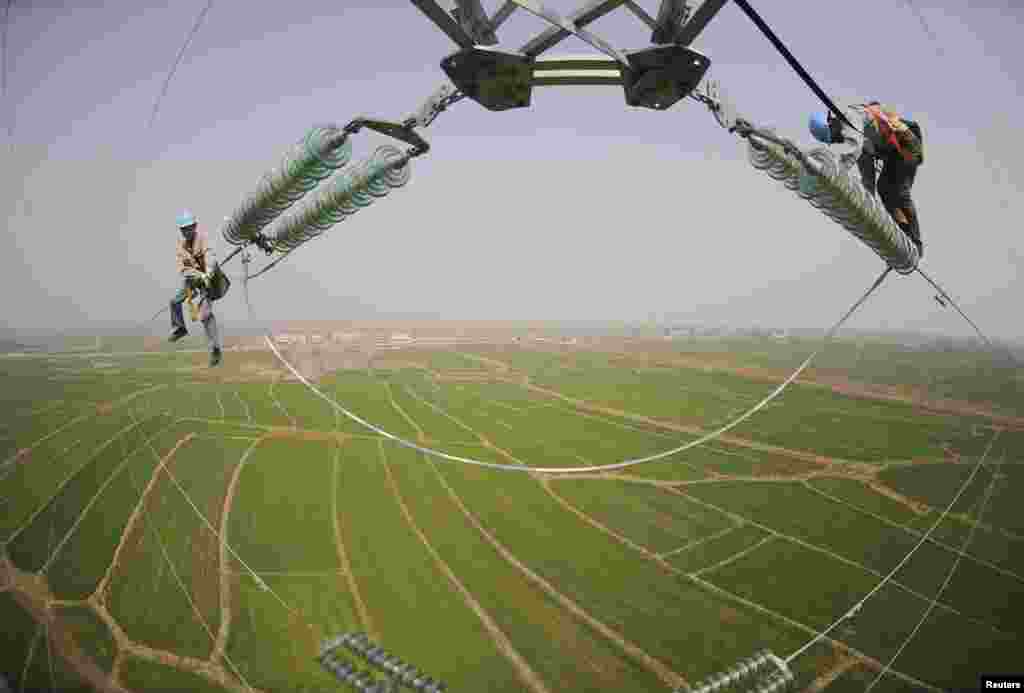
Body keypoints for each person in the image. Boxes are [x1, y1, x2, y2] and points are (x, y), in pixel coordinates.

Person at [809, 102, 924, 258]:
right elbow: (868, 181)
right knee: (884, 189)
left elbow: (853, 149)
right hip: (895, 153)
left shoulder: (852, 116)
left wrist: (833, 175)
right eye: (834, 141)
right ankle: (905, 235)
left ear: (831, 122)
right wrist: (867, 212)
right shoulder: (861, 145)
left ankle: (916, 242)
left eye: (835, 137)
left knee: (899, 191)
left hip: (908, 142)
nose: (839, 140)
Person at [169, 210, 223, 366]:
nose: (187, 231)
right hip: (193, 280)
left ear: (195, 227)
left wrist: (208, 273)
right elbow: (182, 268)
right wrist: (197, 276)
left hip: (209, 280)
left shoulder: (203, 239)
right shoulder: (181, 246)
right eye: (184, 229)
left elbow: (210, 257)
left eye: (189, 228)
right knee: (174, 301)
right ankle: (179, 328)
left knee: (205, 315)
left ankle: (215, 350)